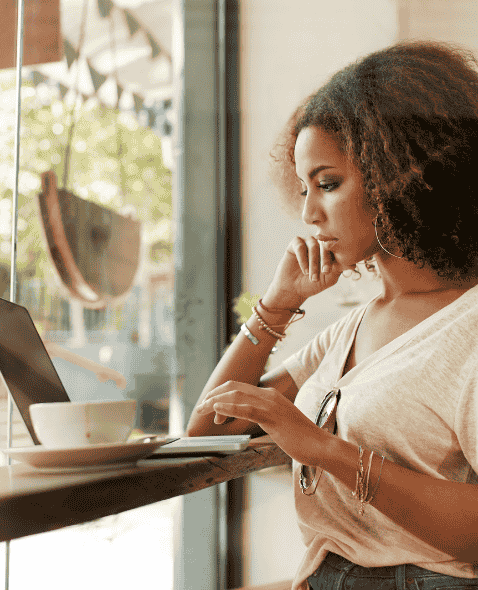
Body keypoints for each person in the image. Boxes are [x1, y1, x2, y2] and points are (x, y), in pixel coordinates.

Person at [186, 40, 478, 590]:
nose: (307, 212)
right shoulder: (355, 327)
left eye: (328, 183)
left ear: (403, 175)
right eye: (303, 188)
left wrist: (324, 449)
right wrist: (277, 306)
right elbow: (207, 430)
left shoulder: (467, 327)